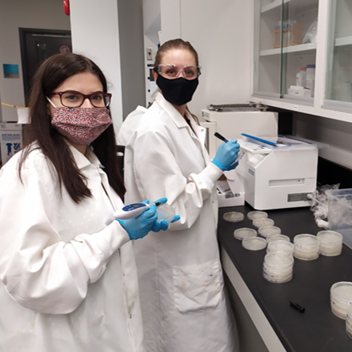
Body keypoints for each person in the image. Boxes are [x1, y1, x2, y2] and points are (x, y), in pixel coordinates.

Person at [0, 53, 174, 352]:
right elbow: (30, 278)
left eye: (96, 98)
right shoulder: (30, 170)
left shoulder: (90, 161)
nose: (87, 108)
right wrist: (117, 233)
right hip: (64, 338)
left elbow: (80, 225)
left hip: (105, 329)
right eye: (71, 97)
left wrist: (124, 217)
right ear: (45, 103)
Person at [119, 39, 240, 352]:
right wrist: (214, 169)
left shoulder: (184, 118)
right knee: (183, 341)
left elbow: (184, 178)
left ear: (199, 75)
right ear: (155, 75)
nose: (181, 79)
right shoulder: (153, 130)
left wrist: (216, 173)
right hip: (174, 262)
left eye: (189, 72)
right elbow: (171, 211)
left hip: (192, 259)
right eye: (171, 71)